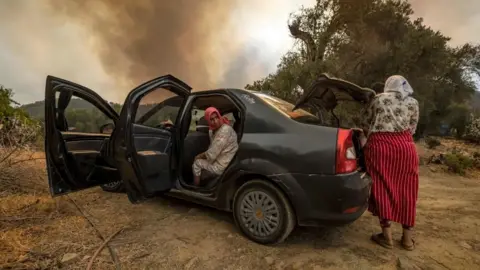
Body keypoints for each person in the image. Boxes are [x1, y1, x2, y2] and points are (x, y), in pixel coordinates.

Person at [361, 75, 420, 251]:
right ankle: (407, 240)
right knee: (408, 190)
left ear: (388, 85)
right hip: (405, 148)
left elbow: (365, 122)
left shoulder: (378, 99)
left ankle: (386, 238)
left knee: (382, 187)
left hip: (380, 148)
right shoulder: (413, 103)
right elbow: (413, 128)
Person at [192, 107, 238, 186]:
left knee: (196, 163)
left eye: (217, 117)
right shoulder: (213, 130)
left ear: (219, 116)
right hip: (221, 158)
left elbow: (212, 154)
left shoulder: (224, 131)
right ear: (208, 121)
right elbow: (212, 147)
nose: (216, 121)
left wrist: (198, 156)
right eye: (212, 119)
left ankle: (196, 188)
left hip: (221, 165)